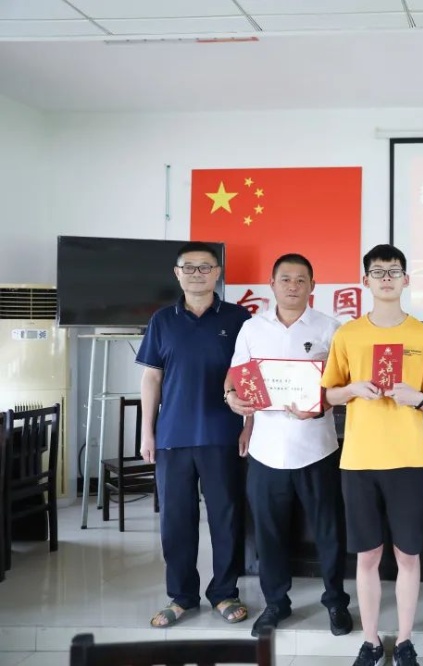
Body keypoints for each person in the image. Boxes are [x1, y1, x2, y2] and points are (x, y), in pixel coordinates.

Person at [321, 244, 423, 666]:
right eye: (378, 271)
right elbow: (329, 393)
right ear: (366, 281)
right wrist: (352, 390)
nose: (387, 278)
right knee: (368, 555)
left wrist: (417, 399)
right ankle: (371, 641)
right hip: (359, 459)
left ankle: (405, 640)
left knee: (408, 554)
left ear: (406, 279)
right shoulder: (348, 334)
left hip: (409, 459)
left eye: (394, 271)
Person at [225, 254, 352, 637]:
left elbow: (342, 386)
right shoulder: (252, 328)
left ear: (313, 286)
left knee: (329, 531)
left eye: (301, 280)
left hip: (316, 446)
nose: (293, 286)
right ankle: (276, 603)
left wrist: (319, 405)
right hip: (266, 449)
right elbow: (236, 377)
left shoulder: (331, 328)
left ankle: (335, 601)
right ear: (272, 284)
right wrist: (233, 400)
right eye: (285, 279)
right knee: (269, 533)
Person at [136, 241, 251, 628]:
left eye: (206, 267)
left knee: (226, 518)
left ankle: (225, 592)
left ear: (217, 273)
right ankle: (182, 596)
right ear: (177, 273)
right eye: (190, 267)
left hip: (224, 435)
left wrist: (249, 425)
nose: (197, 274)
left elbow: (251, 378)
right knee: (175, 521)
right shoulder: (162, 320)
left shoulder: (240, 318)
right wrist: (147, 432)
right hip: (172, 437)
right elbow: (152, 378)